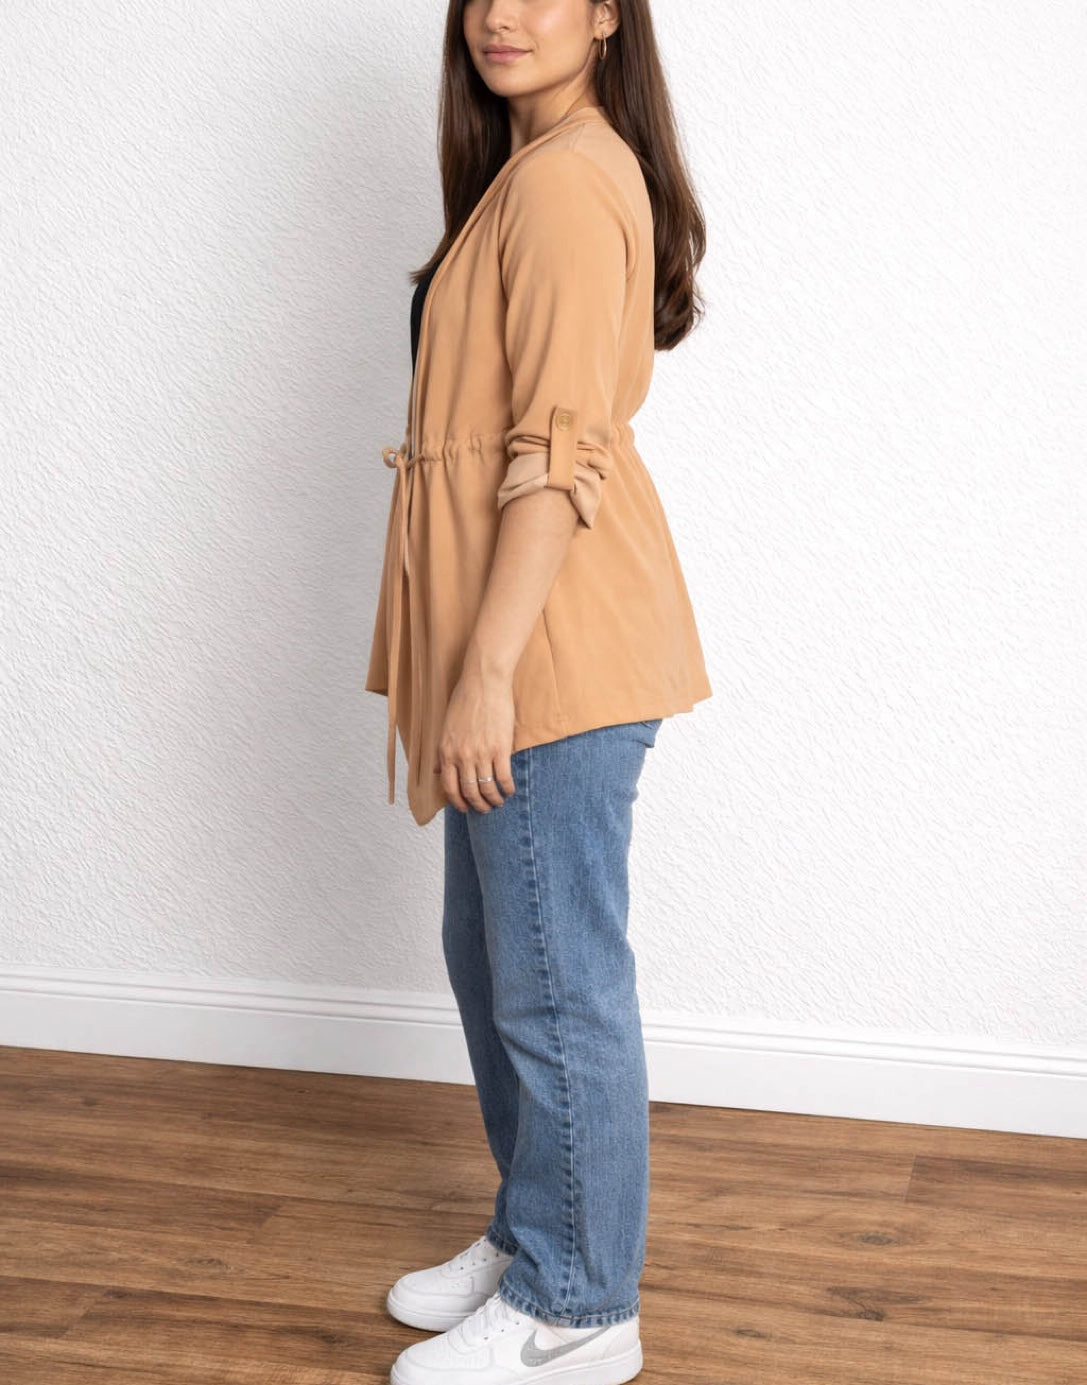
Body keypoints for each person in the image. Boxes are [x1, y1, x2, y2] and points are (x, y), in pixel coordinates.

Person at [366, 4, 713, 1382]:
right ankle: (537, 1226)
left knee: (558, 984)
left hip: (550, 652)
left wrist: (489, 671)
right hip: (513, 643)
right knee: (497, 956)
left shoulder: (571, 177)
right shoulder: (531, 166)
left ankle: (581, 1304)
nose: (501, 13)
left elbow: (558, 455)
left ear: (608, 12)